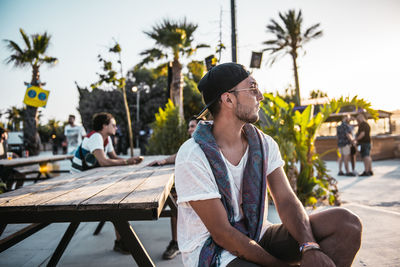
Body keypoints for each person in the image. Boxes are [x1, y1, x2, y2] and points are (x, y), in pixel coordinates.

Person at [175, 63, 362, 267]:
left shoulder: (262, 144)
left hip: (258, 233)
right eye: (253, 88)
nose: (261, 96)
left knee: (347, 224)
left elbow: (286, 200)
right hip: (213, 250)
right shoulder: (193, 155)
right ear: (228, 98)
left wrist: (309, 246)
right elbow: (222, 233)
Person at [70, 112, 143, 253]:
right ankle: (121, 240)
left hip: (90, 178)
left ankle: (120, 239)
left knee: (118, 196)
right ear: (104, 126)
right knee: (117, 199)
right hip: (78, 183)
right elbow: (104, 162)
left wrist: (130, 161)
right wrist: (127, 162)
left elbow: (114, 158)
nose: (116, 127)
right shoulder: (96, 136)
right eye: (113, 125)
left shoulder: (106, 139)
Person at [147, 116, 203, 260]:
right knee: (174, 199)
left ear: (201, 126)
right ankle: (177, 242)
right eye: (189, 126)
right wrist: (164, 161)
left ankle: (178, 242)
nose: (189, 129)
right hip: (193, 185)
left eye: (192, 126)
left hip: (203, 189)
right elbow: (179, 155)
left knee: (175, 200)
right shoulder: (192, 143)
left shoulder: (204, 142)